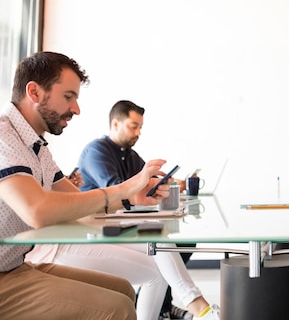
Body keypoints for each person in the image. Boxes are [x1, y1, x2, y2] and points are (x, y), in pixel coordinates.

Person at [0, 51, 170, 320]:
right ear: (33, 91)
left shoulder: (36, 146)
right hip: (3, 278)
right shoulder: (3, 137)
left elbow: (80, 203)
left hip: (15, 266)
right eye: (69, 96)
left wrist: (132, 198)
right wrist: (124, 189)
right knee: (118, 308)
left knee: (124, 289)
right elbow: (37, 211)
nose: (76, 109)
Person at [27, 99, 218, 320]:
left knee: (160, 242)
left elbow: (141, 185)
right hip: (89, 227)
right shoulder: (96, 151)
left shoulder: (128, 154)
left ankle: (197, 307)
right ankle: (199, 309)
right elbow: (112, 189)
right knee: (159, 250)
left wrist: (167, 183)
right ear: (115, 124)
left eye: (140, 127)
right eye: (133, 126)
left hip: (100, 220)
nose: (138, 132)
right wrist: (135, 192)